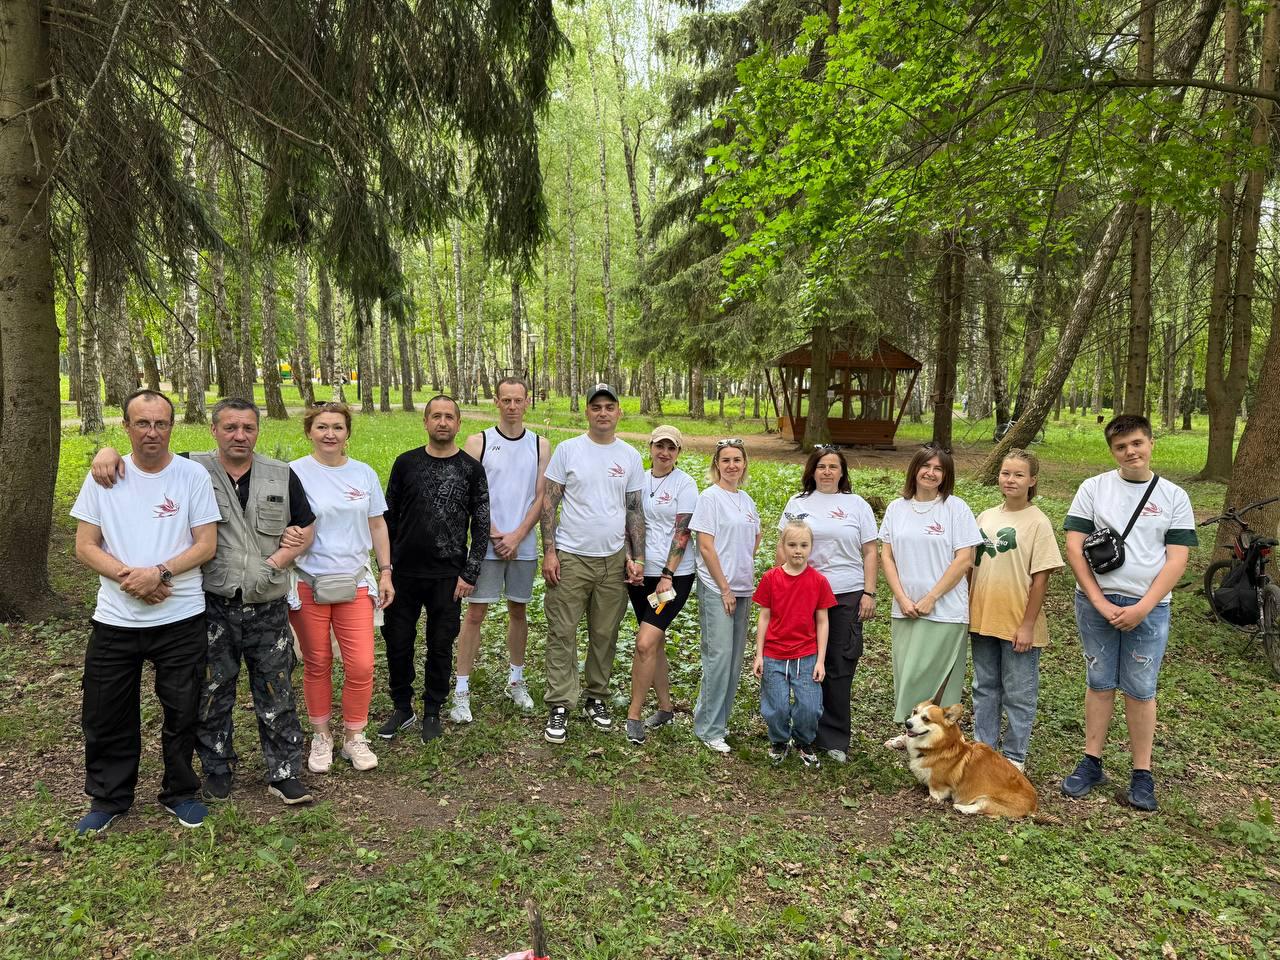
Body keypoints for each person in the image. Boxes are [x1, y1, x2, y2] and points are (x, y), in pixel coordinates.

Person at [89, 398, 318, 806]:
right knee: (212, 692)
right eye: (230, 427)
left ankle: (283, 772)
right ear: (213, 430)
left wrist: (278, 561)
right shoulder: (194, 468)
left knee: (277, 689)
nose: (239, 436)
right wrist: (104, 451)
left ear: (257, 432)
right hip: (213, 604)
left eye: (248, 428)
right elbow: (146, 451)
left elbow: (306, 525)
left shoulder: (282, 475)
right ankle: (216, 769)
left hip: (266, 602)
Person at [70, 390, 219, 833]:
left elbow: (205, 544)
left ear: (172, 426)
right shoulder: (104, 476)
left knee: (183, 710)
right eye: (142, 423)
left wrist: (159, 573)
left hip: (180, 616)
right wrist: (129, 578)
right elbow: (84, 546)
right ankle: (109, 798)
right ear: (125, 427)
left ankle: (180, 791)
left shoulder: (191, 476)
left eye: (161, 423)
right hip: (116, 618)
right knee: (106, 711)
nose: (152, 432)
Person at [1060, 415, 1196, 811]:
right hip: (1095, 604)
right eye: (1121, 447)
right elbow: (1074, 547)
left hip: (1149, 610)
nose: (1130, 452)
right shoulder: (1094, 489)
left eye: (1137, 443)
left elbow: (1177, 559)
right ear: (1112, 451)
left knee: (1140, 689)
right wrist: (1100, 602)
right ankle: (1092, 762)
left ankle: (1142, 774)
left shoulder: (1173, 496)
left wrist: (1143, 607)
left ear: (1151, 443)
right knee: (1099, 681)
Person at [289, 402, 394, 774]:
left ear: (348, 432)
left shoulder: (363, 474)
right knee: (317, 663)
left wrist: (385, 571)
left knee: (362, 665)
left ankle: (354, 736)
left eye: (337, 427)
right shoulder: (293, 473)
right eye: (321, 427)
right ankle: (321, 736)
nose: (329, 433)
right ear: (309, 431)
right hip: (308, 582)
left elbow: (378, 525)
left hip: (354, 582)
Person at [378, 396, 489, 743]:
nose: (443, 422)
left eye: (449, 417)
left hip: (448, 575)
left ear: (458, 424)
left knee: (440, 645)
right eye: (436, 416)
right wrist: (385, 568)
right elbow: (388, 518)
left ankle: (432, 710)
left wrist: (469, 573)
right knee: (398, 642)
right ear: (425, 422)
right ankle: (402, 706)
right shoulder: (405, 464)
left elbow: (482, 524)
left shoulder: (472, 469)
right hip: (404, 574)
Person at [540, 383, 645, 743]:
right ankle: (560, 703)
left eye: (609, 407)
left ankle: (596, 696)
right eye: (596, 406)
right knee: (562, 631)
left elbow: (634, 510)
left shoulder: (629, 456)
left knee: (604, 633)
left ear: (618, 412)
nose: (603, 412)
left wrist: (637, 558)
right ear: (587, 412)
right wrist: (550, 550)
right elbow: (549, 504)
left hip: (613, 560)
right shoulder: (569, 451)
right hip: (570, 557)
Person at [446, 377, 550, 725]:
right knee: (475, 614)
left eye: (517, 400)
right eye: (505, 400)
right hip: (486, 544)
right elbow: (467, 493)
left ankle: (516, 681)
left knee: (518, 611)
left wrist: (518, 535)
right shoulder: (480, 441)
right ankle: (461, 691)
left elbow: (541, 497)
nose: (512, 406)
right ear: (497, 402)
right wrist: (493, 534)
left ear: (526, 402)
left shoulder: (540, 445)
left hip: (522, 544)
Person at [777, 446, 878, 763]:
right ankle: (802, 732)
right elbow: (783, 547)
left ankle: (833, 738)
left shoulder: (856, 505)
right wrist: (785, 588)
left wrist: (869, 592)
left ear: (842, 472)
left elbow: (871, 551)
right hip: (804, 592)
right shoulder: (798, 504)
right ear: (812, 469)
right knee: (802, 664)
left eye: (834, 466)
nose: (827, 471)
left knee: (838, 664)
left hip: (846, 594)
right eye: (822, 466)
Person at [879, 444, 983, 749]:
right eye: (926, 466)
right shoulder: (897, 509)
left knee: (940, 679)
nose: (931, 473)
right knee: (908, 672)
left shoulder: (956, 508)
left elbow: (964, 559)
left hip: (945, 610)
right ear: (915, 469)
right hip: (905, 608)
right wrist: (901, 597)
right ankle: (910, 733)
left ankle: (942, 740)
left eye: (939, 469)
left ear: (946, 475)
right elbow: (887, 556)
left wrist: (931, 597)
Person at [968, 449, 1062, 772]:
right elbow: (971, 566)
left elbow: (1040, 580)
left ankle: (1014, 757)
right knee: (984, 687)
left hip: (1018, 624)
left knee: (1018, 693)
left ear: (1032, 480)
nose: (1011, 480)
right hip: (982, 618)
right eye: (1006, 473)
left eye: (1019, 474)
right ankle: (983, 748)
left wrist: (1027, 625)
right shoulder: (985, 517)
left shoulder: (1038, 523)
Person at [624, 425, 698, 746]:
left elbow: (683, 532)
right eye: (660, 446)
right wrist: (631, 560)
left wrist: (668, 572)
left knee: (644, 642)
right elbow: (628, 523)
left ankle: (634, 714)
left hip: (673, 577)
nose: (664, 452)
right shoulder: (637, 480)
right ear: (650, 446)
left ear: (678, 452)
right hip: (640, 574)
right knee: (654, 642)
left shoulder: (686, 484)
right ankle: (666, 708)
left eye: (672, 447)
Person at [691, 438, 762, 753]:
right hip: (717, 588)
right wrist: (724, 587)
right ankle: (707, 728)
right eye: (726, 460)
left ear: (744, 463)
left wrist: (741, 573)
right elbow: (705, 545)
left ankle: (719, 721)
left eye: (737, 459)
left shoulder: (746, 500)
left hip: (743, 588)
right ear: (716, 465)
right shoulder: (710, 498)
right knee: (718, 658)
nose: (732, 465)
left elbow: (755, 537)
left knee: (734, 661)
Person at [753, 519, 836, 768]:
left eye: (803, 545)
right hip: (774, 654)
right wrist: (759, 655)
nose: (797, 550)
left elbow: (822, 621)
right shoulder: (771, 578)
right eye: (792, 545)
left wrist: (820, 660)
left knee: (810, 707)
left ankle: (802, 741)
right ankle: (779, 740)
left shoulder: (819, 582)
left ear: (811, 547)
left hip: (807, 655)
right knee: (776, 707)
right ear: (782, 546)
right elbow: (764, 617)